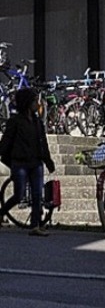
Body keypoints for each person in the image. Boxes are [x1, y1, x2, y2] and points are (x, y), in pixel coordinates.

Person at [0, 87, 55, 235]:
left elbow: (43, 142)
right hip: (20, 163)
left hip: (36, 162)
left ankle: (35, 225)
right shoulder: (15, 121)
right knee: (19, 195)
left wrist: (48, 160)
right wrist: (8, 161)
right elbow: (5, 143)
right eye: (34, 101)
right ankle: (2, 212)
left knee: (37, 194)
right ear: (26, 103)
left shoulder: (37, 122)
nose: (37, 104)